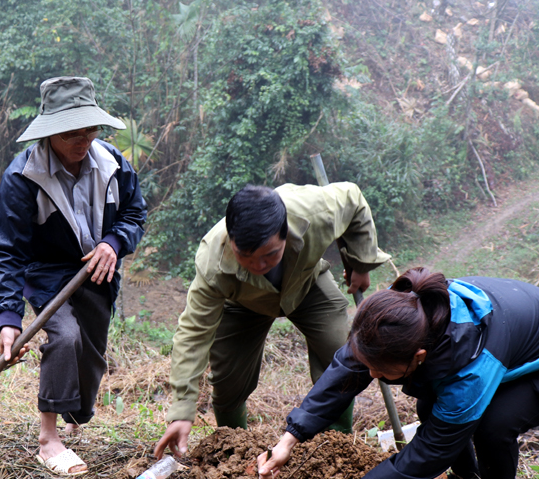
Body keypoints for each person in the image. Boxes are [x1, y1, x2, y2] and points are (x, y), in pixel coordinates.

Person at [258, 268, 539, 479]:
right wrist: (290, 438)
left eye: (380, 371)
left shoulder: (473, 368)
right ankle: (466, 475)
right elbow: (347, 370)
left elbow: (435, 446)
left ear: (420, 355)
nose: (372, 376)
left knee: (494, 424)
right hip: (513, 342)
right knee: (431, 406)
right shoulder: (396, 319)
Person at [153, 183, 390, 459]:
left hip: (306, 284)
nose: (259, 266)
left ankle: (333, 446)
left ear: (285, 234)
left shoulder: (316, 210)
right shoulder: (212, 262)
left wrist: (360, 262)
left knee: (339, 350)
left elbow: (355, 198)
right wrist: (182, 409)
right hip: (243, 303)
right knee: (228, 380)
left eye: (270, 255)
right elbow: (193, 333)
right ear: (231, 241)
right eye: (246, 257)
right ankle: (235, 448)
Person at [0, 76, 146, 475]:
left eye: (90, 131)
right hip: (46, 272)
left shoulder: (112, 163)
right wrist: (9, 318)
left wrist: (114, 241)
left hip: (98, 267)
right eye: (71, 134)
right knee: (65, 336)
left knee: (91, 352)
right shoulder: (23, 177)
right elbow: (9, 249)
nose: (83, 141)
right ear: (50, 133)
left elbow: (135, 213)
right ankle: (48, 439)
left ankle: (75, 414)